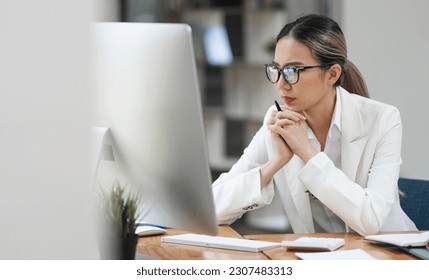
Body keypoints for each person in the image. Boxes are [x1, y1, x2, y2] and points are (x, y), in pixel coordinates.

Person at [211, 14, 417, 236]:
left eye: (293, 71)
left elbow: (371, 221)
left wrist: (308, 154)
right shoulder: (278, 120)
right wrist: (275, 162)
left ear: (332, 74)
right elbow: (211, 207)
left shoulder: (383, 119)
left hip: (388, 256)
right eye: (276, 70)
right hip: (319, 259)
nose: (281, 84)